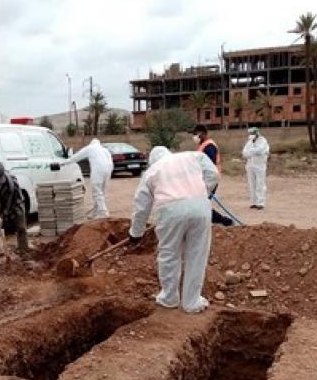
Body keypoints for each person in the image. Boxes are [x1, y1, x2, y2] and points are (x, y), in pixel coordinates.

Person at [128, 146, 219, 313]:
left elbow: (141, 207)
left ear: (152, 160)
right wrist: (203, 191)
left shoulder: (151, 171)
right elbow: (213, 174)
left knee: (169, 254)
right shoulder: (193, 155)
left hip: (170, 211)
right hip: (200, 206)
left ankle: (169, 298)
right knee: (197, 254)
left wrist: (136, 233)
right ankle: (191, 302)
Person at [0, 160, 29, 266]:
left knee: (21, 228)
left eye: (0, 180)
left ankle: (24, 255)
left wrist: (2, 217)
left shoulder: (12, 185)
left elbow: (9, 206)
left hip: (15, 205)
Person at [191, 124, 233, 227]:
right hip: (206, 178)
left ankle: (224, 221)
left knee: (200, 204)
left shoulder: (209, 146)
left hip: (210, 179)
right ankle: (221, 221)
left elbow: (210, 165)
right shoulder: (203, 145)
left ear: (203, 134)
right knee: (200, 203)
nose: (194, 137)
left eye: (196, 134)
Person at [64, 138, 113, 218]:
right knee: (102, 193)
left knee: (97, 192)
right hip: (108, 170)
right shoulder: (105, 150)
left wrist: (65, 162)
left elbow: (77, 157)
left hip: (98, 170)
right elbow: (111, 162)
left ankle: (103, 212)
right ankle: (95, 213)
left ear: (91, 143)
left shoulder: (90, 148)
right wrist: (109, 174)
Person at [242, 127, 269, 209]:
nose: (251, 135)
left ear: (257, 133)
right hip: (250, 165)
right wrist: (252, 151)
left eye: (252, 133)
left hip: (260, 165)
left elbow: (260, 151)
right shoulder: (249, 142)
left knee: (260, 184)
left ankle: (261, 203)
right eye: (250, 133)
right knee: (252, 184)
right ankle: (253, 202)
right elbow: (244, 153)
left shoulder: (263, 141)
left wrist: (251, 151)